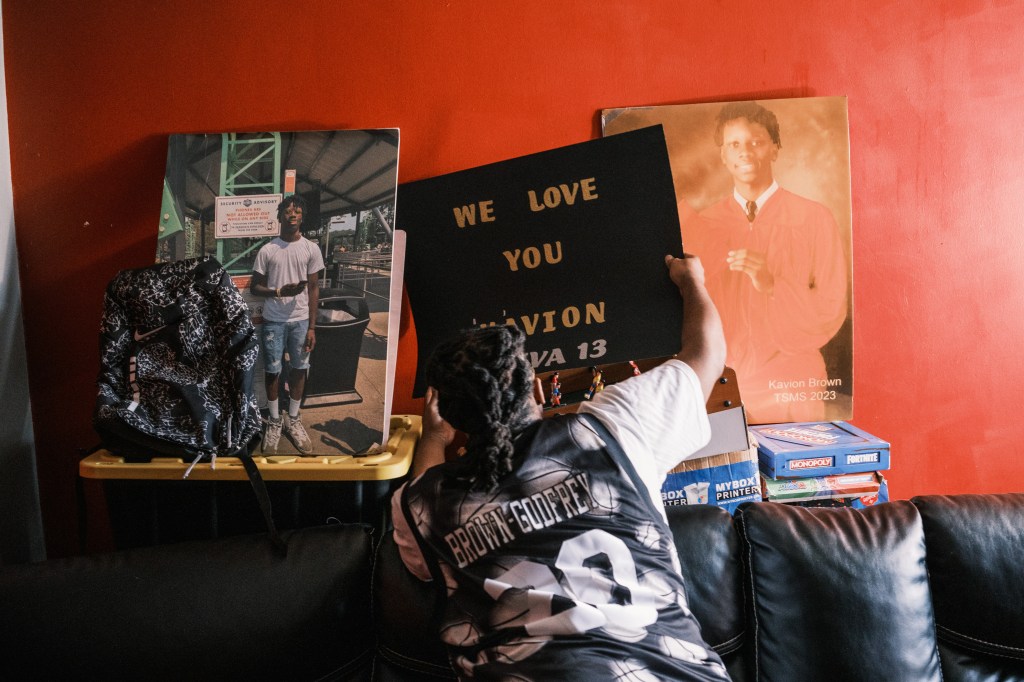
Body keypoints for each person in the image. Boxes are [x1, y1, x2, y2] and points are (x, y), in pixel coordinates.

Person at [391, 254, 731, 681]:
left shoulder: (419, 502)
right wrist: (691, 281)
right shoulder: (614, 428)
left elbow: (423, 515)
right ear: (535, 388)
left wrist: (435, 439)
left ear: (451, 415)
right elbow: (707, 354)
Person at [679, 100, 848, 423]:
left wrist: (773, 285)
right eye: (735, 144)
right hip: (725, 380)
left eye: (756, 142)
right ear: (723, 156)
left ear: (775, 148)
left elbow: (830, 308)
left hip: (793, 380)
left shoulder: (814, 219)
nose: (745, 152)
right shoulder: (704, 225)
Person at [250, 194, 325, 454]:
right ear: (280, 215)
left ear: (302, 217)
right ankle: (274, 420)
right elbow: (255, 286)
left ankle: (293, 419)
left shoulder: (311, 248)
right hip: (273, 321)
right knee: (272, 370)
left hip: (301, 322)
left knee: (299, 368)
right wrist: (280, 291)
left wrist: (313, 327)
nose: (293, 214)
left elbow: (314, 288)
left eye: (298, 211)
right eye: (288, 210)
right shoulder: (268, 249)